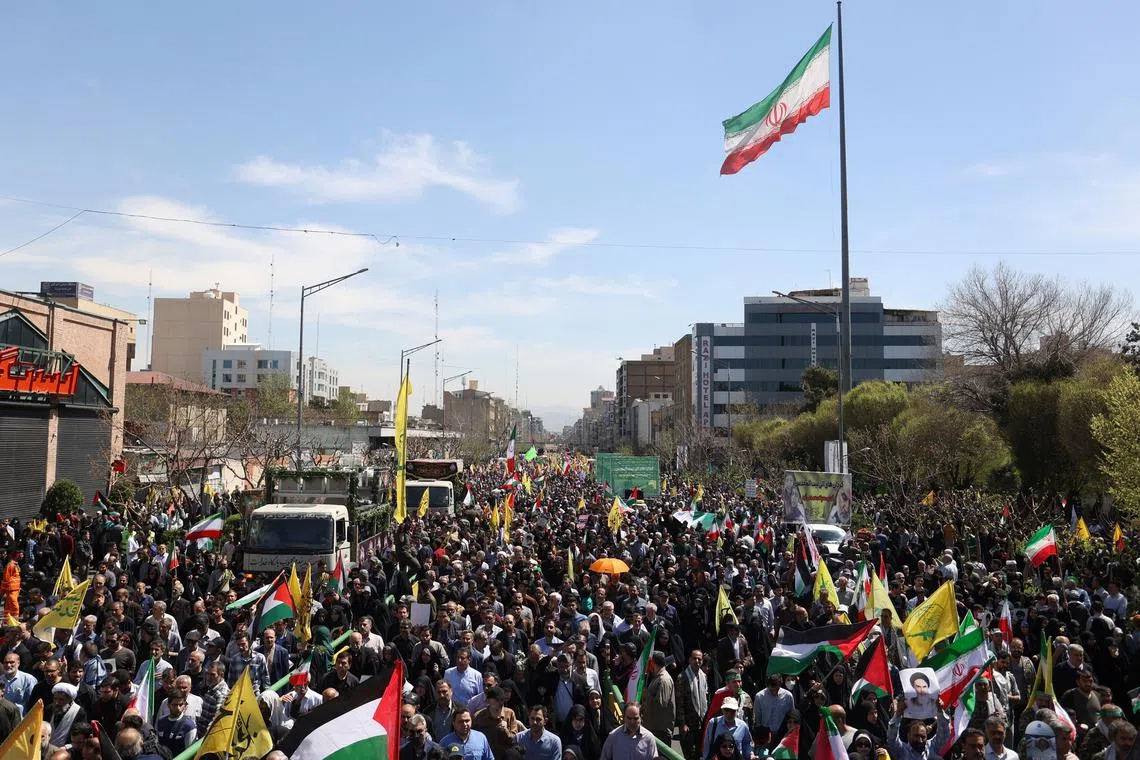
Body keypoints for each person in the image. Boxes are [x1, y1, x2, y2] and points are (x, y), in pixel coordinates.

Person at [677, 650, 710, 760]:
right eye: (694, 658)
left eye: (699, 659)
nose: (697, 661)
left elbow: (706, 698)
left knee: (700, 754)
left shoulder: (704, 676)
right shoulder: (682, 677)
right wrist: (682, 724)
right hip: (688, 724)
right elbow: (679, 702)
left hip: (701, 722)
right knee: (689, 754)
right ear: (690, 660)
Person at [642, 651, 676, 746]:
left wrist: (646, 695)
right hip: (654, 729)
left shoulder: (663, 680)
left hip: (660, 731)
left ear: (653, 662)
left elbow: (661, 705)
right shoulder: (657, 677)